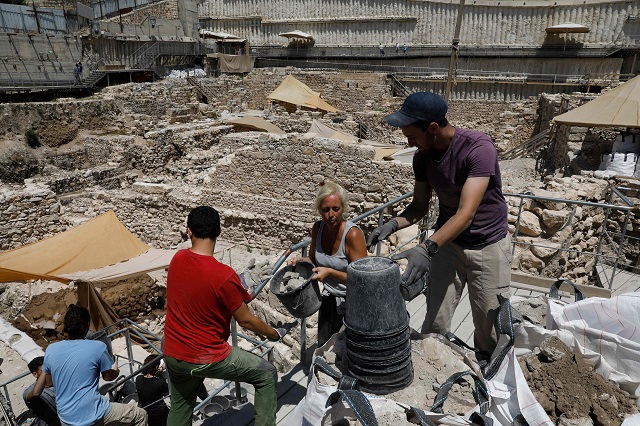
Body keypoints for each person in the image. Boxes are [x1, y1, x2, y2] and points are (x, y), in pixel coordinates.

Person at [367, 92, 511, 357]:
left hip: (487, 245)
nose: (409, 143)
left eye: (412, 137)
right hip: (449, 244)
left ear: (433, 128)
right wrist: (393, 224)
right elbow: (419, 206)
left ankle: (489, 378)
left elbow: (466, 213)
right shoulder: (422, 157)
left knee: (490, 330)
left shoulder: (478, 148)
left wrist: (425, 248)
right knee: (434, 321)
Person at [163, 206, 288, 426]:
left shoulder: (177, 259)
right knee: (266, 374)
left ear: (189, 231)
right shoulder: (223, 275)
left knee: (180, 407)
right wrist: (274, 334)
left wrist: (239, 282)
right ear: (219, 232)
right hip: (205, 356)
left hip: (173, 353)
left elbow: (199, 285)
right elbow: (246, 320)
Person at [29, 306, 148, 426]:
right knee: (141, 415)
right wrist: (116, 371)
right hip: (93, 414)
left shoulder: (51, 349)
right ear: (86, 326)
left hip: (66, 418)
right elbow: (108, 377)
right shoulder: (97, 347)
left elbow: (47, 384)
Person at [289, 180, 367, 347]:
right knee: (324, 346)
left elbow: (361, 279)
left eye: (335, 209)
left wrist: (330, 273)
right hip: (328, 299)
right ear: (319, 211)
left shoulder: (352, 235)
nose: (331, 215)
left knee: (345, 351)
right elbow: (313, 259)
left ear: (343, 209)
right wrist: (300, 261)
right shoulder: (318, 228)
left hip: (352, 302)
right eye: (326, 210)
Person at [23, 356, 60, 426]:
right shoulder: (30, 391)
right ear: (35, 374)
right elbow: (35, 394)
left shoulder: (59, 383)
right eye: (45, 370)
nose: (50, 372)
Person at [136, 355, 169, 426]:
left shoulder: (138, 379)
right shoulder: (160, 382)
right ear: (157, 367)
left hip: (146, 411)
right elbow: (167, 392)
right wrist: (161, 374)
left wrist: (158, 372)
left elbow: (150, 383)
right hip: (160, 412)